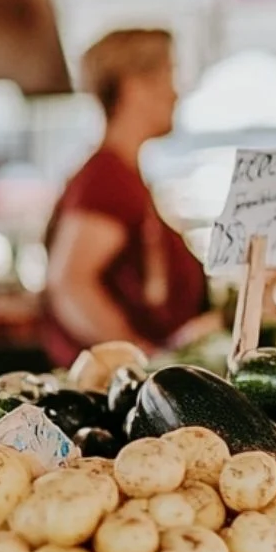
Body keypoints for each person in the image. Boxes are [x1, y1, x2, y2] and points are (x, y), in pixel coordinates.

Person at [39, 29, 212, 369]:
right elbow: (71, 283)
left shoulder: (122, 174)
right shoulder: (106, 179)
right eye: (168, 75)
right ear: (133, 86)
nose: (176, 94)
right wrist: (139, 359)